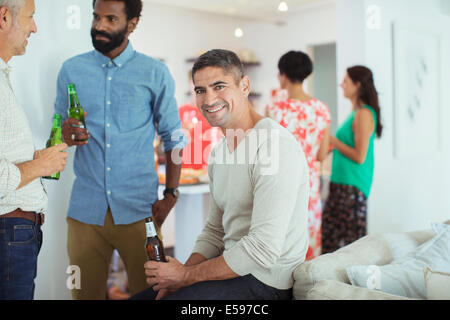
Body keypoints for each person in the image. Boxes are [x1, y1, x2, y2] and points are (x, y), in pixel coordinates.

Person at [131, 49, 310, 300]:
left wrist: (184, 277)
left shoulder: (274, 146)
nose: (208, 99)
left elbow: (262, 249)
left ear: (244, 86)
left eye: (219, 86)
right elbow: (214, 232)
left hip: (266, 283)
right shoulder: (219, 153)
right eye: (200, 90)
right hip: (231, 271)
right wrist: (180, 273)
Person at [53, 0, 185, 299]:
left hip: (140, 211)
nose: (99, 26)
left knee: (151, 294)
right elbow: (57, 128)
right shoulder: (71, 70)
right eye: (96, 17)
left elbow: (174, 138)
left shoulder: (155, 73)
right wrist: (64, 133)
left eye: (111, 19)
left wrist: (172, 193)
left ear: (133, 23)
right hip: (85, 212)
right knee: (83, 295)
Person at [0, 0, 68, 300]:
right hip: (9, 232)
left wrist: (36, 159)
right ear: (4, 17)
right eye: (31, 17)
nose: (35, 27)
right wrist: (40, 167)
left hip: (15, 233)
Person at [266, 51, 331, 260]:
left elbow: (268, 152)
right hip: (310, 184)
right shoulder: (321, 109)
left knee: (281, 240)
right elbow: (321, 155)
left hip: (281, 181)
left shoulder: (274, 110)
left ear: (284, 75)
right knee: (308, 237)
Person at [321, 65, 383, 254]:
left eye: (345, 81)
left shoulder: (364, 113)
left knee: (348, 246)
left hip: (352, 187)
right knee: (332, 241)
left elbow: (359, 156)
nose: (341, 84)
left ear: (357, 85)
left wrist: (331, 139)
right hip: (342, 184)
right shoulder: (356, 113)